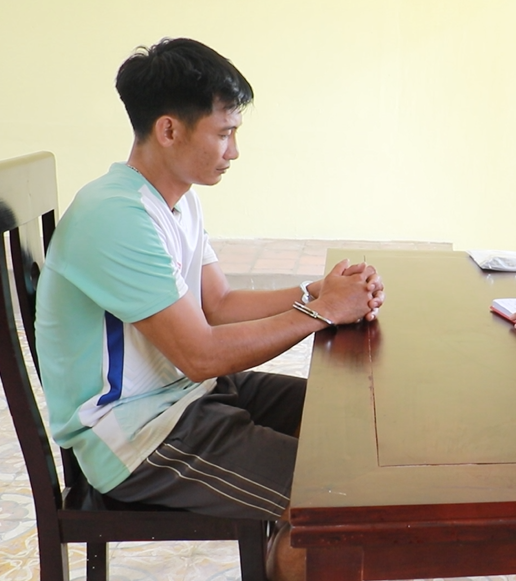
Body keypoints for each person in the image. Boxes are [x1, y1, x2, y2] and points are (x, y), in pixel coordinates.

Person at [34, 38, 383, 581]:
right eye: (224, 133)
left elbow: (217, 305)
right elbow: (200, 354)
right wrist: (323, 313)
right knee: (335, 503)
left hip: (188, 398)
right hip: (139, 436)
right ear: (169, 130)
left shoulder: (176, 199)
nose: (234, 151)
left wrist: (316, 292)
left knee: (348, 427)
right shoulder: (115, 216)